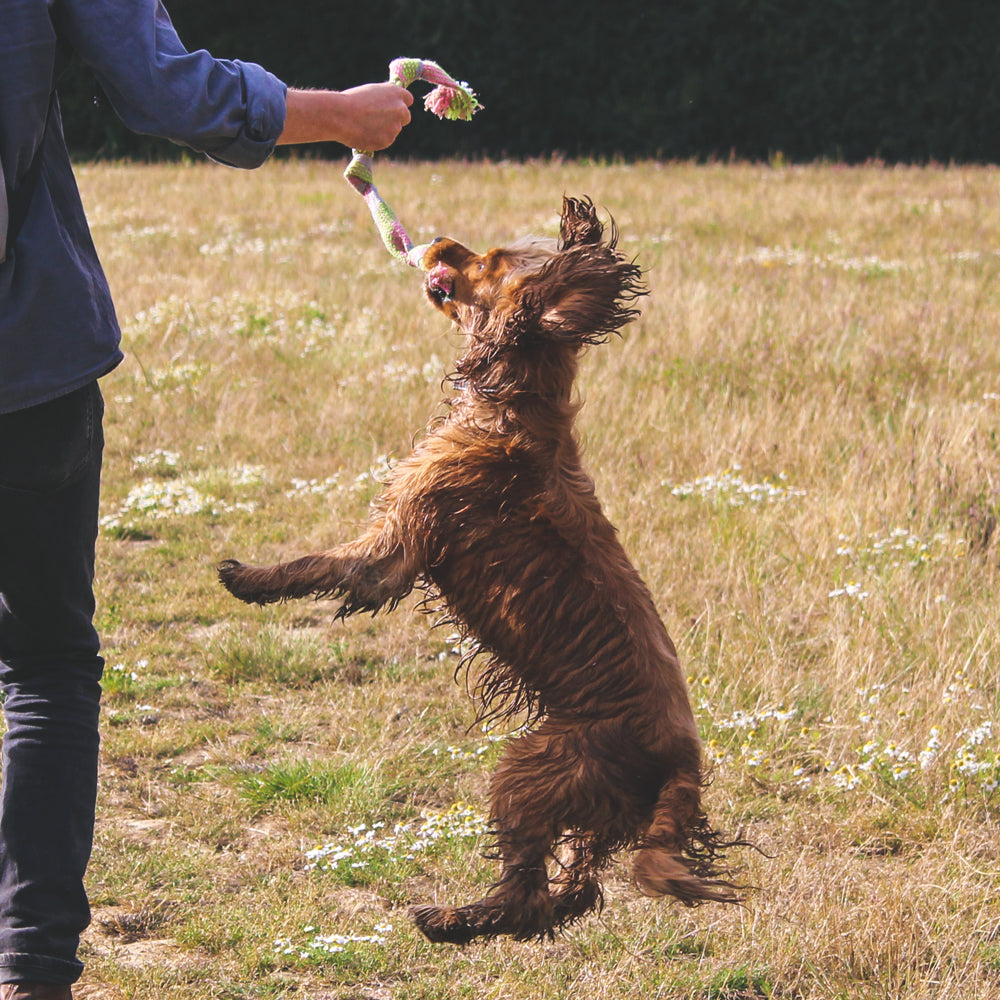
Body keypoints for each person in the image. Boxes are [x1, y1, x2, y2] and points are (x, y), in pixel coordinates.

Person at [0, 3, 413, 998]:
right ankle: (29, 969)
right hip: (29, 365)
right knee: (46, 666)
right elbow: (160, 86)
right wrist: (345, 117)